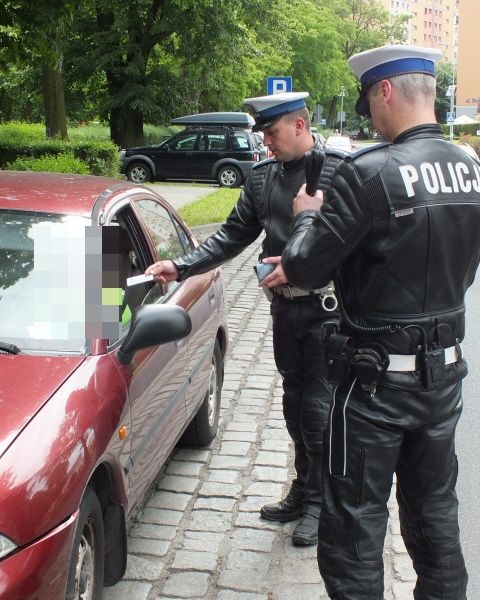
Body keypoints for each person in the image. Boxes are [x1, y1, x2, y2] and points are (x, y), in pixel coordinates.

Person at [281, 45, 480, 599]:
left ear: (386, 92)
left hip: (374, 387)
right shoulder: (474, 172)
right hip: (443, 382)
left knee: (353, 525)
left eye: (369, 99)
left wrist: (307, 219)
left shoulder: (368, 173)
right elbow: (464, 272)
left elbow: (304, 267)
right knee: (435, 519)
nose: (370, 114)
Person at [145, 92, 346, 546]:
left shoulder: (338, 171)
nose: (266, 143)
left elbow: (355, 244)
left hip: (328, 314)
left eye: (271, 133)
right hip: (285, 311)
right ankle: (303, 490)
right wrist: (181, 266)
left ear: (299, 125)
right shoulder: (262, 178)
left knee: (318, 412)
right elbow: (233, 236)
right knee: (294, 407)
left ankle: (321, 503)